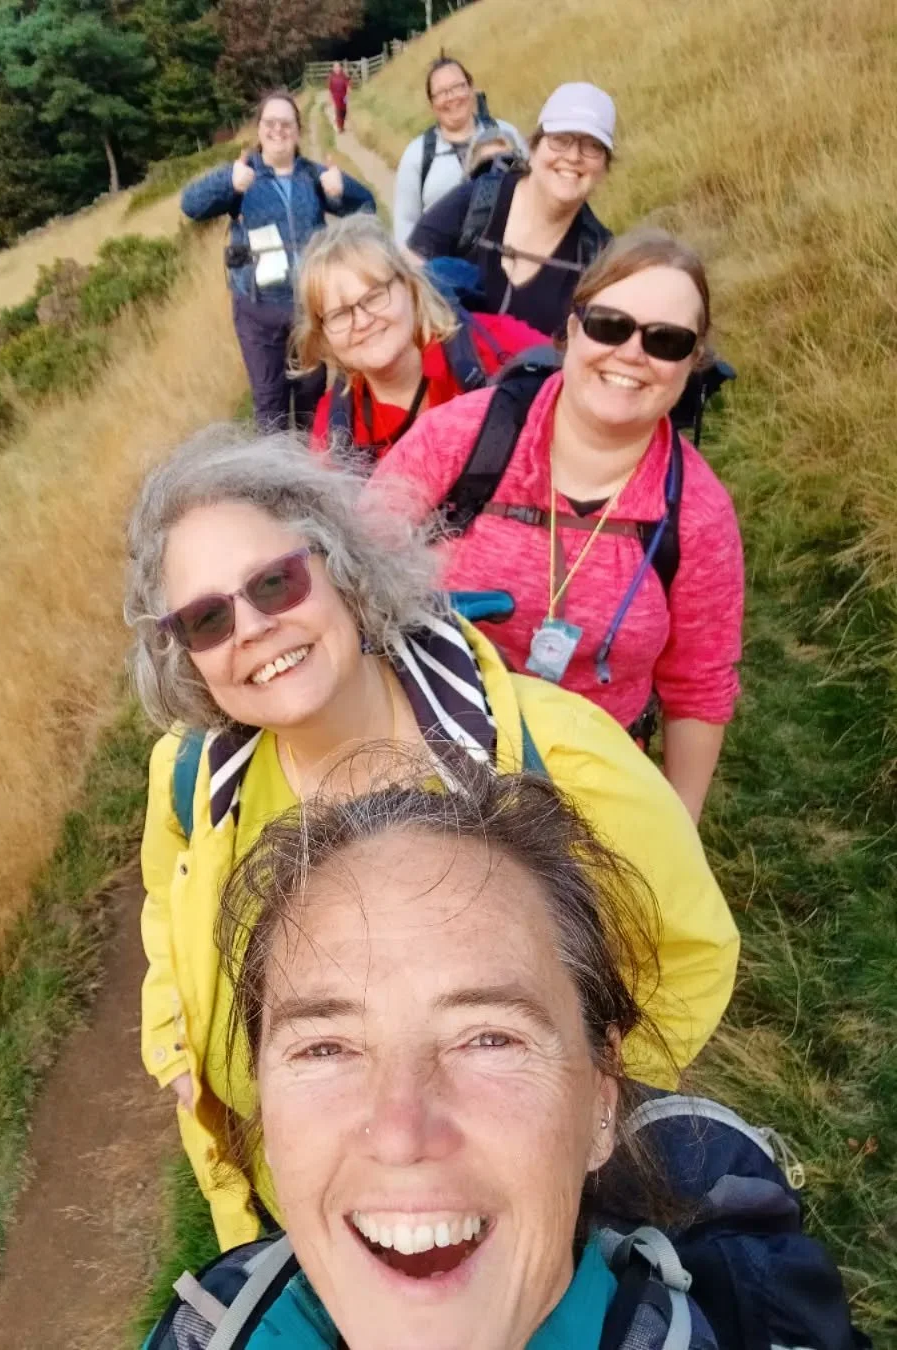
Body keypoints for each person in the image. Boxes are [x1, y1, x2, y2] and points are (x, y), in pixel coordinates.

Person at [125, 425, 740, 1247]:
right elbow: (170, 912)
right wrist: (173, 1046)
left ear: (342, 571)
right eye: (205, 619)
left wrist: (572, 1118)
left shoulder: (556, 757)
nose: (252, 628)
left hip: (506, 1210)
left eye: (275, 582)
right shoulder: (194, 786)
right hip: (314, 1218)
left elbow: (689, 952)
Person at [147, 770, 867, 1350]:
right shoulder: (207, 1326)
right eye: (325, 1047)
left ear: (601, 1101)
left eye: (489, 1038)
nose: (400, 1134)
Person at [370, 229, 745, 821]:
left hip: (592, 784)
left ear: (692, 363)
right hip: (430, 756)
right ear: (572, 329)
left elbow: (698, 684)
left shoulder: (698, 514)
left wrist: (678, 828)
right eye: (609, 325)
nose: (631, 353)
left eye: (667, 340)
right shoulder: (462, 437)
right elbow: (354, 571)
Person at [181, 90, 375, 433]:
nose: (278, 130)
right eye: (270, 123)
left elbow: (367, 207)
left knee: (311, 399)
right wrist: (227, 181)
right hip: (257, 312)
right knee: (269, 404)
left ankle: (307, 475)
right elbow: (191, 205)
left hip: (309, 311)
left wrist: (340, 189)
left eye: (286, 123)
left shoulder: (313, 177)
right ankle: (273, 481)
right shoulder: (243, 176)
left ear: (297, 131)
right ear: (259, 130)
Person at [294, 214, 544, 460]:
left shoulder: (493, 347)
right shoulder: (334, 434)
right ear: (323, 336)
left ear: (410, 286)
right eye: (339, 315)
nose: (362, 321)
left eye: (374, 297)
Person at [408, 81, 615, 337]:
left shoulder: (601, 259)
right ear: (533, 146)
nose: (573, 156)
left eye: (592, 146)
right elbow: (408, 278)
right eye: (560, 139)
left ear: (604, 167)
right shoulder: (478, 201)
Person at [392, 56, 522, 249]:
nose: (452, 97)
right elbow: (405, 223)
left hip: (507, 263)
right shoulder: (417, 155)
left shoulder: (508, 136)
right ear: (431, 103)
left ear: (471, 88)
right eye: (442, 93)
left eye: (458, 87)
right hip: (442, 271)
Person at [327, 60, 350, 132]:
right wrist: (330, 97)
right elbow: (329, 88)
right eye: (335, 67)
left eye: (338, 67)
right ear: (333, 68)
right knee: (338, 110)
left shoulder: (344, 75)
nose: (337, 68)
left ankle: (342, 126)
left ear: (340, 68)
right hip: (336, 96)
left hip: (344, 96)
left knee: (344, 111)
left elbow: (347, 84)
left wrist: (348, 90)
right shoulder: (331, 77)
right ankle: (339, 127)